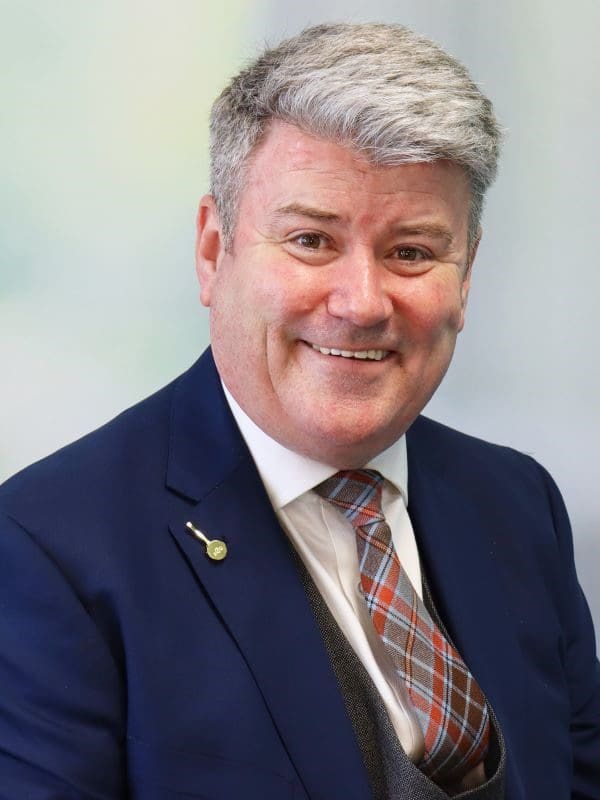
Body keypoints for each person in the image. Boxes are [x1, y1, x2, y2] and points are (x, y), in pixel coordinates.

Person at [0, 21, 598, 800]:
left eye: (412, 252)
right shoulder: (46, 548)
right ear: (215, 251)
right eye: (312, 239)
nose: (360, 303)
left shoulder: (517, 504)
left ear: (468, 271)